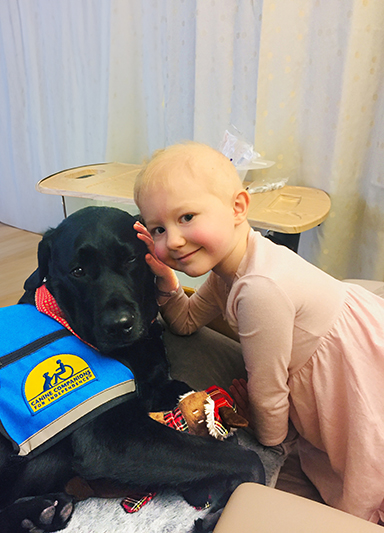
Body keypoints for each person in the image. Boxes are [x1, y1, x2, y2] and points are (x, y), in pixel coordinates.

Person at [133, 141, 384, 524]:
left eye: (186, 217)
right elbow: (185, 322)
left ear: (238, 208)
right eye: (158, 229)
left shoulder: (259, 289)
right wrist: (168, 283)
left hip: (351, 371)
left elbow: (268, 391)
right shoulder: (228, 271)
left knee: (363, 468)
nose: (174, 241)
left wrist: (268, 446)